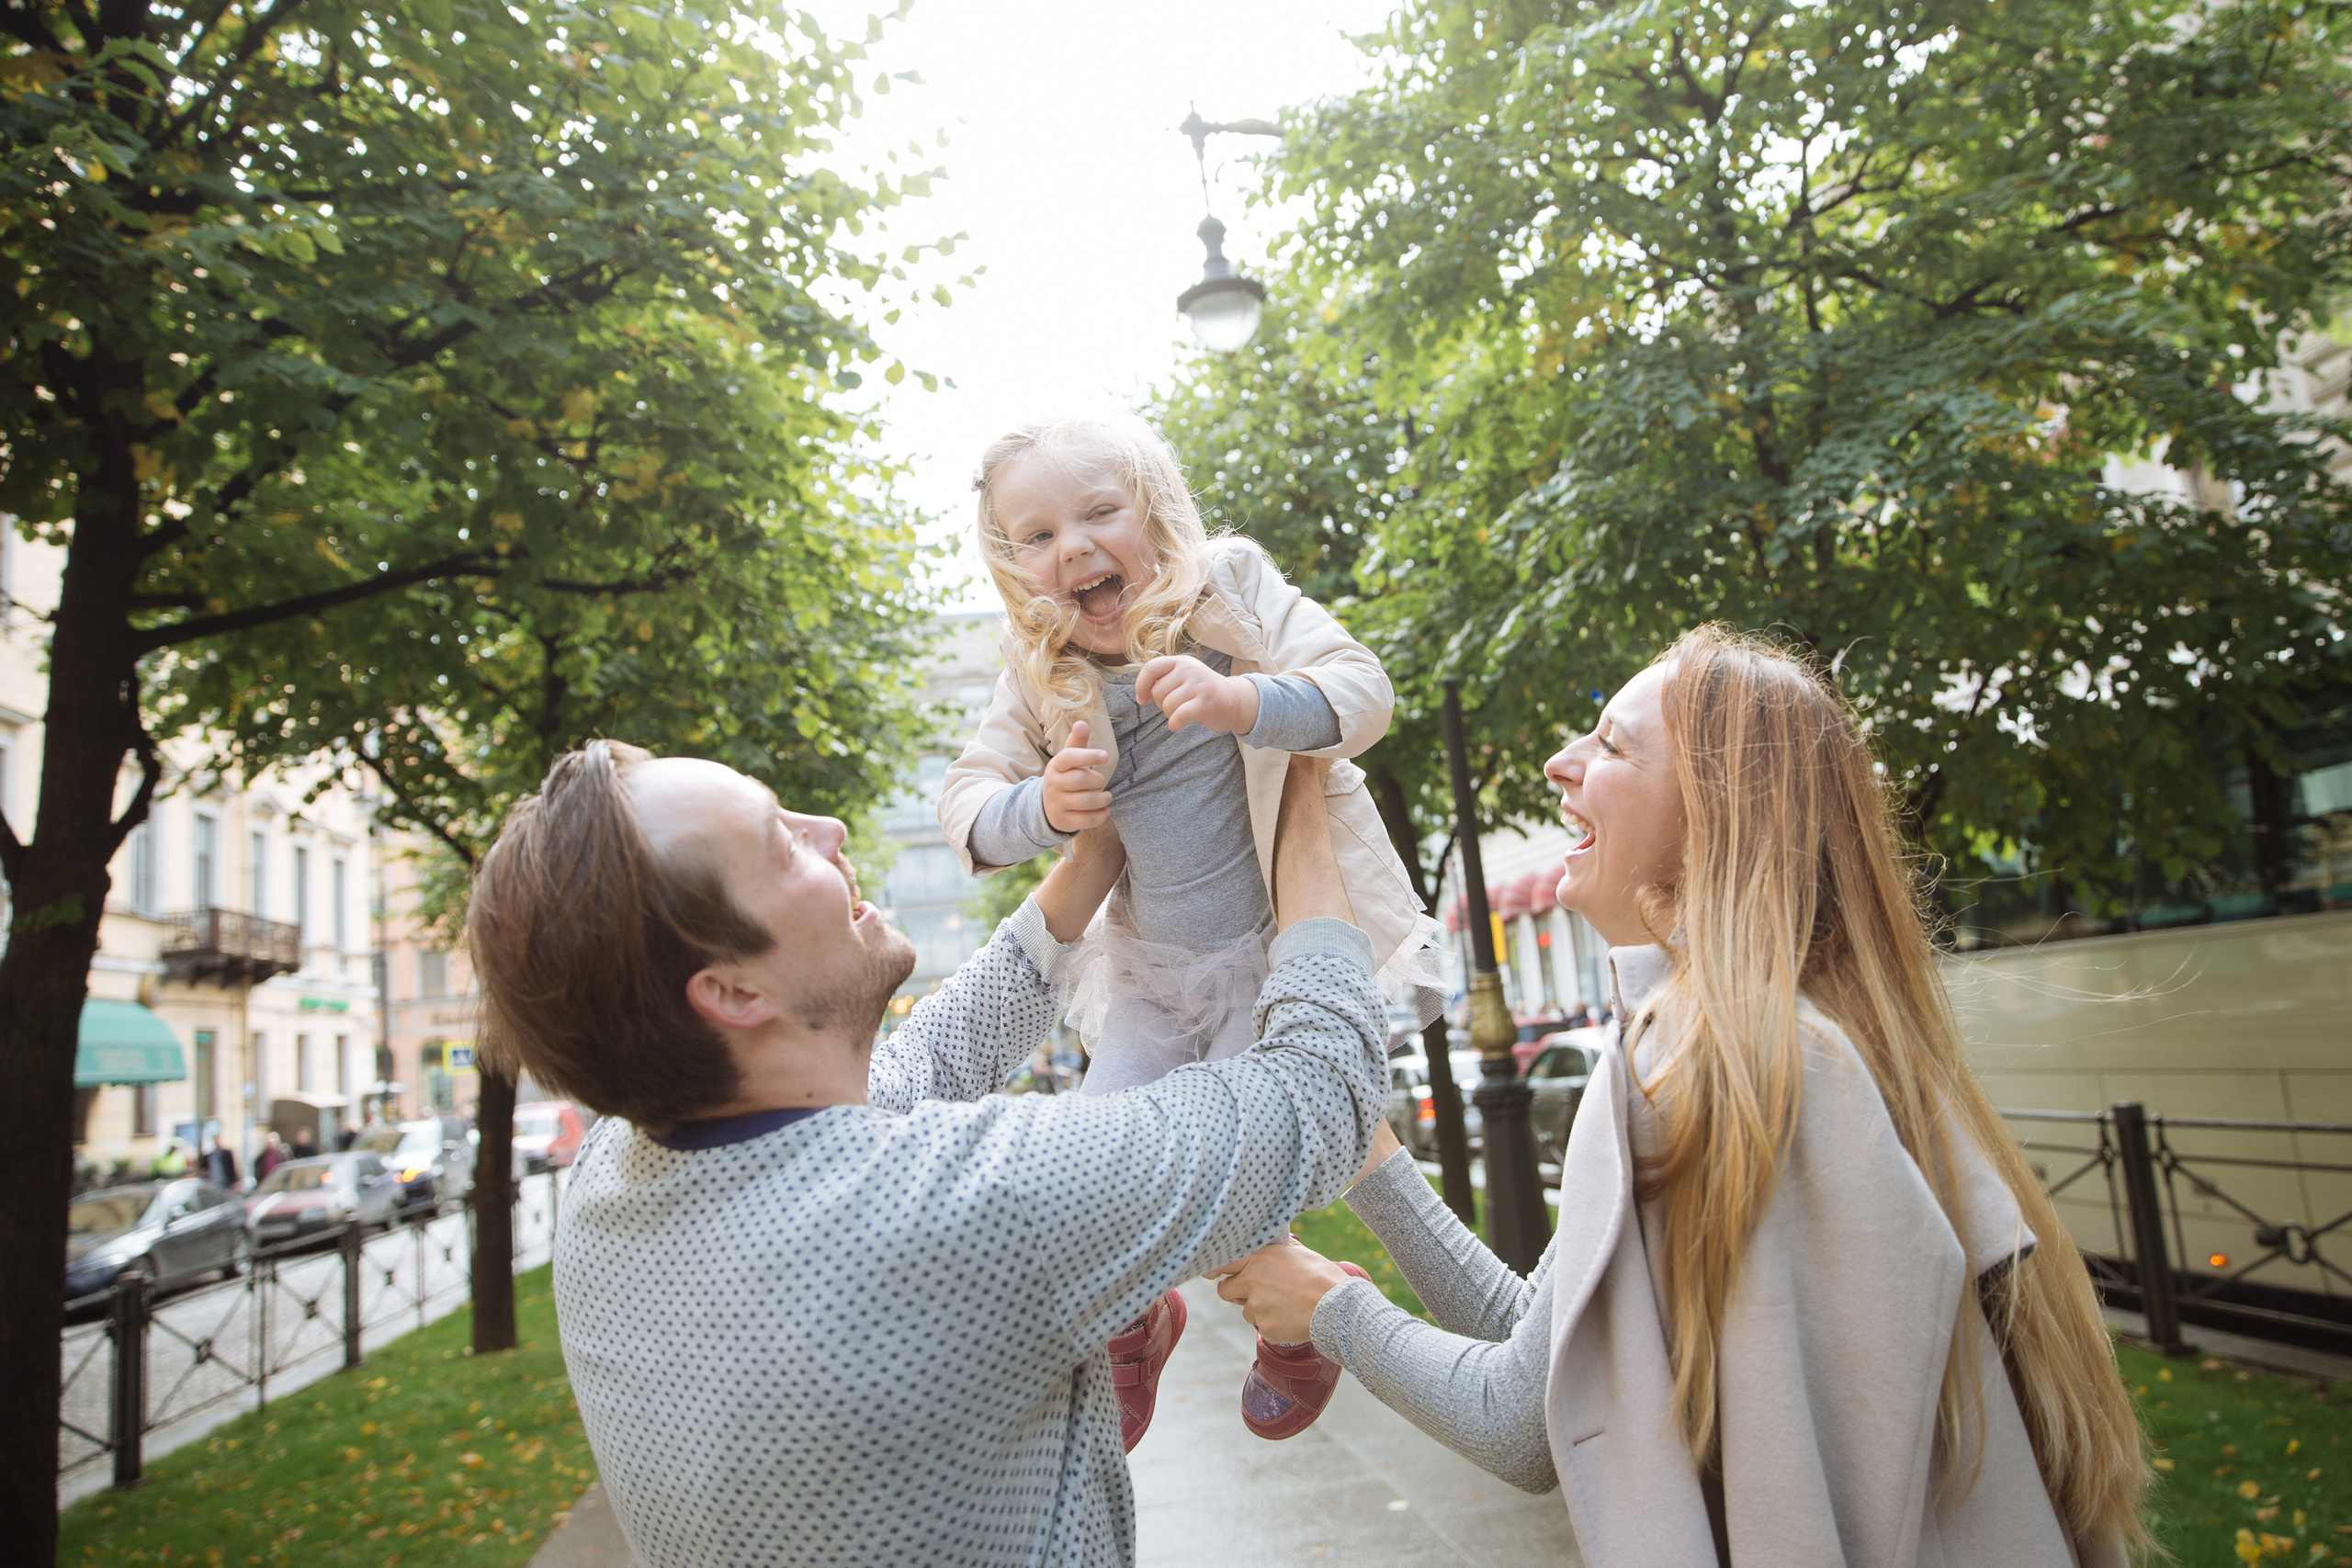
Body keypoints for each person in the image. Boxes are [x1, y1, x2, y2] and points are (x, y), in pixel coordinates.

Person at [1211, 626, 2149, 1567]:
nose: (1559, 762)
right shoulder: (1788, 1037)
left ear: (1716, 817)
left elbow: (1519, 1425)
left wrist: (1327, 1308)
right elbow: (1554, 1355)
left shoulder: (1696, 1054)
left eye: (1611, 746)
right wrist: (1369, 1155)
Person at [464, 740, 1386, 1568]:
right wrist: (1293, 783)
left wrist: (1099, 852)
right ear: (732, 991)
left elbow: (927, 1060)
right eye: (782, 845)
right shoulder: (963, 1209)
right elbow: (1322, 1093)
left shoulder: (610, 1179)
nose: (825, 828)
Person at [940, 413, 1445, 1441]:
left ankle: (1298, 1322)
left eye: (1098, 513)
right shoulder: (1035, 668)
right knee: (1092, 1165)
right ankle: (1136, 1317)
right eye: (1035, 536)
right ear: (1014, 568)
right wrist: (1045, 806)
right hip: (1147, 973)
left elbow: (1363, 689)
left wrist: (1243, 699)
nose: (1072, 548)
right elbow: (966, 804)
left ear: (1155, 515)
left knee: (1253, 1170)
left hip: (1271, 964)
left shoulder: (1230, 587)